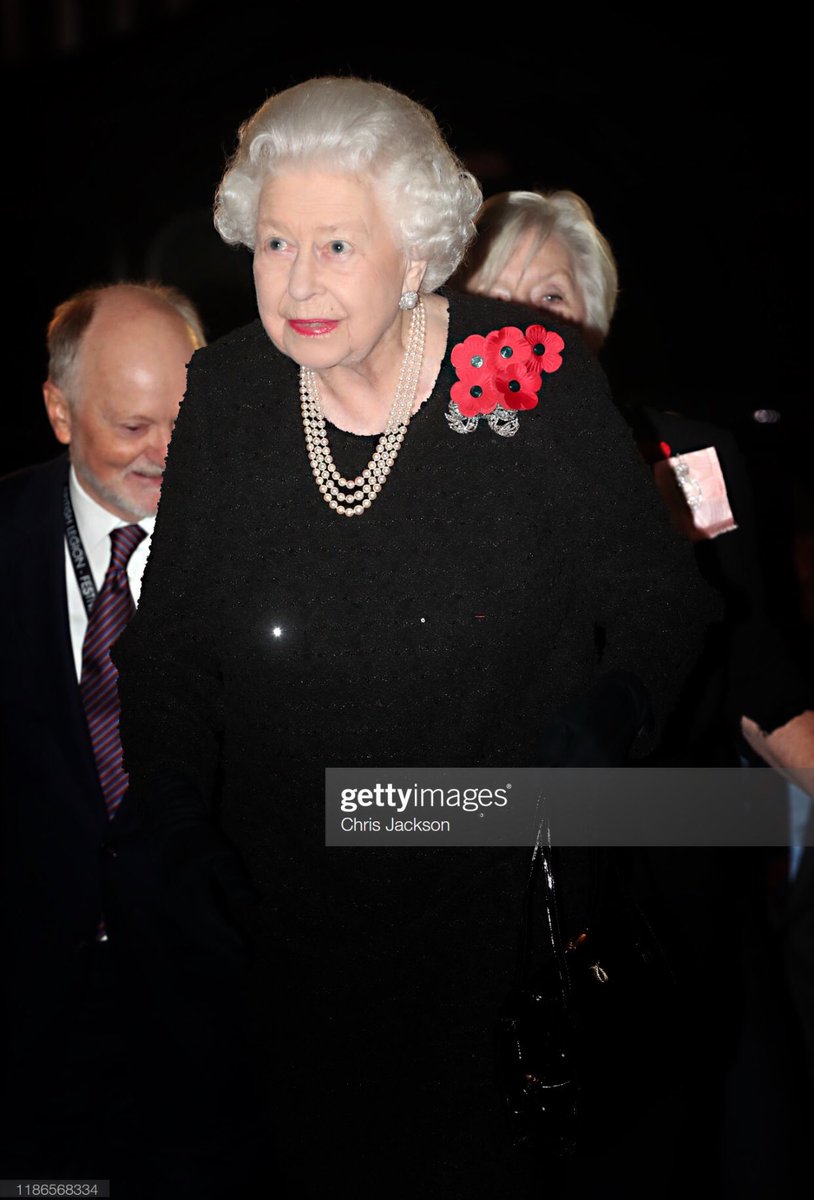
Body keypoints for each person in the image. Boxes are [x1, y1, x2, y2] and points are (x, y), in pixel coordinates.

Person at [111, 78, 717, 1199]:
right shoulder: (233, 396)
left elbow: (659, 598)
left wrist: (614, 714)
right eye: (276, 241)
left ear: (417, 254)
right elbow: (172, 650)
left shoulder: (530, 376)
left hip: (506, 917)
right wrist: (180, 823)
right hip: (296, 925)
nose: (298, 282)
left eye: (337, 244)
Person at [452, 187, 814, 1195]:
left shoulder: (683, 459)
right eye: (493, 295)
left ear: (596, 320)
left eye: (554, 296)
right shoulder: (408, 479)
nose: (528, 320)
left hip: (673, 891)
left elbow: (765, 685)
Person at [0, 281, 207, 1195]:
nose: (166, 453)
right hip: (26, 1028)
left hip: (211, 1019)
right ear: (58, 410)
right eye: (131, 427)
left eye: (182, 420)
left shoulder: (253, 546)